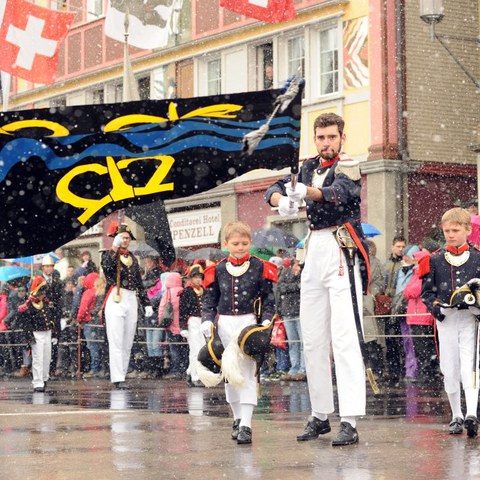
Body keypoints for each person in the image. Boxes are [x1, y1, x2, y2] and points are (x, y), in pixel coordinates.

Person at [265, 112, 369, 446]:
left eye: (331, 137)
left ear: (342, 137)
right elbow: (274, 187)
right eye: (321, 137)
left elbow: (337, 193)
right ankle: (320, 414)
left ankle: (350, 419)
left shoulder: (349, 164)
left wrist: (305, 193)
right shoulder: (306, 165)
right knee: (312, 338)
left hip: (341, 247)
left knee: (345, 338)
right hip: (313, 248)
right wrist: (281, 200)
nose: (326, 143)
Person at [201, 221, 277, 445]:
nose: (241, 247)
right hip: (224, 324)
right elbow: (209, 301)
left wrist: (265, 321)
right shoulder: (217, 269)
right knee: (230, 375)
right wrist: (206, 320)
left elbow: (269, 299)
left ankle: (246, 425)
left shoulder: (260, 267)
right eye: (235, 243)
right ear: (226, 244)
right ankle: (237, 418)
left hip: (248, 324)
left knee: (247, 373)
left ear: (250, 242)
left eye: (245, 243)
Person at [421, 207, 480, 438]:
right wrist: (435, 307)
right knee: (450, 368)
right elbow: (427, 293)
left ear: (467, 230)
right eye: (447, 230)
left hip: (471, 319)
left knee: (471, 367)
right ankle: (456, 414)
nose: (450, 235)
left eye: (455, 230)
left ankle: (472, 414)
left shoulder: (477, 257)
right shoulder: (435, 259)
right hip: (446, 320)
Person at [101, 222, 153, 389]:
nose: (125, 240)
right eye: (122, 237)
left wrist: (146, 303)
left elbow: (138, 282)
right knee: (116, 339)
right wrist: (114, 249)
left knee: (127, 340)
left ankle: (122, 373)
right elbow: (107, 267)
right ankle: (117, 377)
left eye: (127, 237)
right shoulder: (108, 254)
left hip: (131, 298)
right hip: (116, 295)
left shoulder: (133, 258)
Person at [17, 277, 56, 392]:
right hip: (36, 334)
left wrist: (53, 331)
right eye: (41, 292)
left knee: (47, 358)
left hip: (47, 332)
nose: (43, 295)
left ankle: (44, 378)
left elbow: (50, 316)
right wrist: (29, 337)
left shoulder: (46, 302)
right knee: (38, 359)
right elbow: (25, 323)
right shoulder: (27, 305)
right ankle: (37, 382)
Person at [382, 236, 407, 384]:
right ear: (392, 247)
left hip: (399, 305)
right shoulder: (387, 264)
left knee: (401, 339)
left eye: (403, 246)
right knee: (390, 340)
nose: (401, 249)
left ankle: (401, 369)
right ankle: (393, 369)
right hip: (388, 305)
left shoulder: (404, 264)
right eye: (398, 246)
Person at [278, 258, 305, 381]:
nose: (297, 267)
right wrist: (295, 285)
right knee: (293, 342)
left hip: (301, 311)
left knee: (303, 342)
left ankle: (303, 369)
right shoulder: (285, 272)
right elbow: (281, 287)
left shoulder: (305, 272)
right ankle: (294, 368)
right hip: (287, 311)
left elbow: (303, 287)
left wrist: (291, 287)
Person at [158, 271, 188, 379]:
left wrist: (160, 321)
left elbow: (162, 307)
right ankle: (184, 369)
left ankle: (176, 370)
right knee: (184, 349)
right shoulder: (183, 291)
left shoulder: (168, 293)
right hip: (183, 325)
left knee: (174, 349)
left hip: (171, 325)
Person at [362, 240, 385, 379]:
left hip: (367, 303)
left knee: (370, 338)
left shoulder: (375, 263)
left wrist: (372, 292)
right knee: (363, 338)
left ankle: (374, 369)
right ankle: (368, 368)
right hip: (358, 302)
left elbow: (379, 282)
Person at [179, 264, 205, 387]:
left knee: (202, 348)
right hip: (193, 322)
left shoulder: (204, 291)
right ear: (190, 278)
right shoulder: (187, 292)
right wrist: (183, 327)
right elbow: (183, 311)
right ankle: (196, 377)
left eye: (200, 277)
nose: (198, 279)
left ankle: (190, 372)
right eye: (195, 277)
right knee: (195, 350)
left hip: (203, 322)